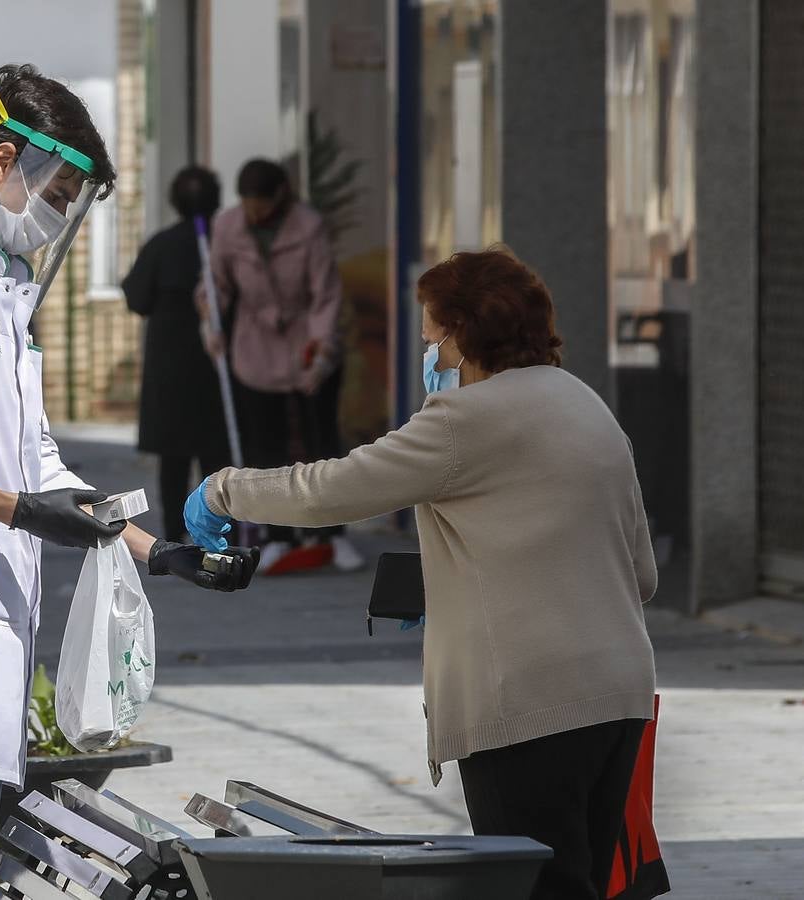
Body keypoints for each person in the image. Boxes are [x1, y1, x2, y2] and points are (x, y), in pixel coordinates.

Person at [0, 63, 258, 900]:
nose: (60, 216)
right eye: (60, 193)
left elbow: (40, 463)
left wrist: (154, 548)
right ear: (3, 161)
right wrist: (20, 511)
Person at [185, 246, 659, 900]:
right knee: (579, 884)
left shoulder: (463, 419)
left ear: (464, 336)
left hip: (526, 704)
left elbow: (330, 489)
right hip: (619, 695)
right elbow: (641, 573)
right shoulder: (587, 405)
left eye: (433, 337)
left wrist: (222, 491)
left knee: (532, 889)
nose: (429, 354)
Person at [197, 158, 361, 573]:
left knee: (320, 444)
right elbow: (215, 284)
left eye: (261, 204)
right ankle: (277, 535)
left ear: (279, 196)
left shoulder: (308, 226)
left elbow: (325, 293)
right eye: (248, 203)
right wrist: (211, 322)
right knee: (265, 449)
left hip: (306, 338)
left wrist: (322, 351)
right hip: (255, 344)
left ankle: (331, 534)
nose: (253, 213)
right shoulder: (229, 227)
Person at [122, 165, 230, 541]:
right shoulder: (228, 243)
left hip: (171, 366)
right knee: (218, 456)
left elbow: (137, 296)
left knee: (174, 458)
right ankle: (219, 529)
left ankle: (175, 532)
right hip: (219, 364)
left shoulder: (161, 245)